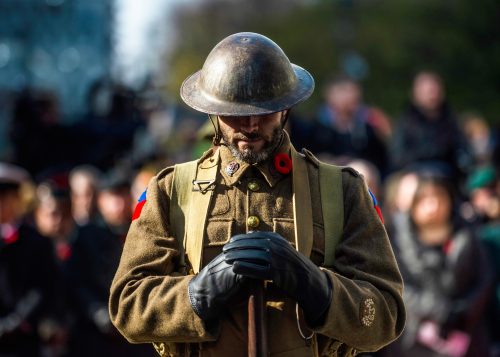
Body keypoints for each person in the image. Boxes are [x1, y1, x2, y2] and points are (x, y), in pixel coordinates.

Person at [109, 32, 405, 357]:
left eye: (264, 112)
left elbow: (386, 314)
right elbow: (127, 307)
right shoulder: (169, 191)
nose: (250, 126)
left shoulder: (342, 190)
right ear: (212, 112)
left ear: (286, 109)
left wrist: (317, 288)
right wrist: (197, 293)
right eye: (235, 114)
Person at [384, 174, 492, 357]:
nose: (433, 206)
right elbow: (396, 286)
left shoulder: (467, 234)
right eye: (425, 200)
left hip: (468, 336)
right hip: (414, 339)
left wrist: (464, 309)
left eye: (439, 198)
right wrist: (441, 311)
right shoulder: (396, 240)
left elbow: (484, 277)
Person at [0, 163, 65, 356]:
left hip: (24, 338)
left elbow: (43, 286)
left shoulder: (36, 241)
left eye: (4, 198)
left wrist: (17, 320)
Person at [390, 71, 471, 178]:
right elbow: (398, 158)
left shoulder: (452, 122)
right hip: (415, 174)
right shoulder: (405, 123)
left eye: (435, 90)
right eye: (428, 91)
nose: (432, 95)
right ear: (416, 94)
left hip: (447, 176)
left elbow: (462, 153)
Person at [312, 75, 392, 177]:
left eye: (354, 91)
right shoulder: (317, 125)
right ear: (330, 95)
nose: (352, 96)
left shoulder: (368, 122)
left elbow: (382, 156)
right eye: (345, 91)